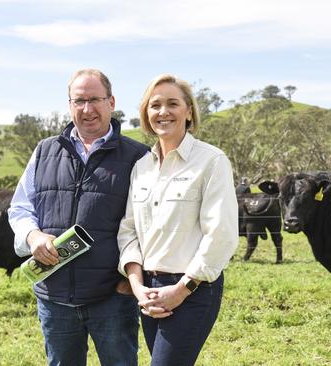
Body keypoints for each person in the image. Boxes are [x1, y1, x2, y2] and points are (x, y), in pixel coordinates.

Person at [8, 68, 149, 366]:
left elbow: (150, 225)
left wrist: (129, 281)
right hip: (54, 296)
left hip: (112, 296)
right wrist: (33, 236)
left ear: (111, 102)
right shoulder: (45, 151)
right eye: (79, 100)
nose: (87, 109)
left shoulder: (139, 156)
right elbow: (20, 208)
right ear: (69, 104)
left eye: (95, 99)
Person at [117, 74, 238, 365]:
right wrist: (137, 287)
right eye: (154, 105)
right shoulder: (141, 168)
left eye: (173, 103)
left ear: (189, 111)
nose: (163, 112)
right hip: (149, 291)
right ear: (146, 114)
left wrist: (182, 290)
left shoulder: (211, 161)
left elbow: (220, 234)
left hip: (194, 289)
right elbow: (128, 231)